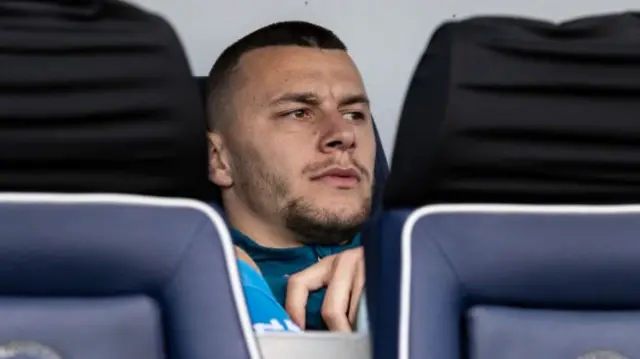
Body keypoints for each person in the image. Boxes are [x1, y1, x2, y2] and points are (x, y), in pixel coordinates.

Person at [206, 21, 375, 332]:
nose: (344, 134)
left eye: (354, 114)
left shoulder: (433, 262)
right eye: (298, 112)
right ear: (219, 159)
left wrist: (406, 271)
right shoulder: (179, 289)